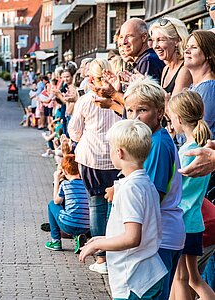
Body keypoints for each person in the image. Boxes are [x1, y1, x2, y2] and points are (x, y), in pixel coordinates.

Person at [80, 119, 167, 300]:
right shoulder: (144, 183)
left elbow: (132, 238)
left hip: (134, 278)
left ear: (119, 152)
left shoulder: (130, 188)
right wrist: (103, 238)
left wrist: (98, 244)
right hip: (147, 272)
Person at [122, 77, 185, 300]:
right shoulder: (150, 139)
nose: (135, 117)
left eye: (142, 110)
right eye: (129, 110)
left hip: (161, 236)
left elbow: (151, 197)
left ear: (160, 112)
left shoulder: (157, 144)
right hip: (160, 233)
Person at [68, 58, 122, 275]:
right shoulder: (119, 97)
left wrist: (81, 137)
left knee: (96, 206)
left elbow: (74, 131)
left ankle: (101, 258)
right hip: (117, 158)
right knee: (116, 207)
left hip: (91, 158)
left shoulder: (85, 101)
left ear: (91, 77)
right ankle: (117, 252)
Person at [167, 90, 215, 300]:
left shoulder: (187, 151)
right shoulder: (204, 149)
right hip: (195, 221)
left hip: (181, 221)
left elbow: (173, 186)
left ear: (178, 118)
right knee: (193, 278)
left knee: (181, 277)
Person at [44, 154, 89, 253]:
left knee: (52, 205)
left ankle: (55, 241)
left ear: (64, 171)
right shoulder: (87, 184)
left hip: (68, 225)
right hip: (86, 226)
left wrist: (57, 180)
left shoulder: (65, 184)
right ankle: (78, 238)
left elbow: (56, 201)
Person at [149, 17, 192, 96]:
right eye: (153, 40)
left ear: (177, 40)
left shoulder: (184, 70)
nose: (155, 46)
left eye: (161, 40)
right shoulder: (166, 69)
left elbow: (174, 106)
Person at [184, 30, 215, 138]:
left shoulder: (208, 88)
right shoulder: (194, 87)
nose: (187, 51)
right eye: (187, 47)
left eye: (194, 47)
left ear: (209, 54)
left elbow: (200, 131)